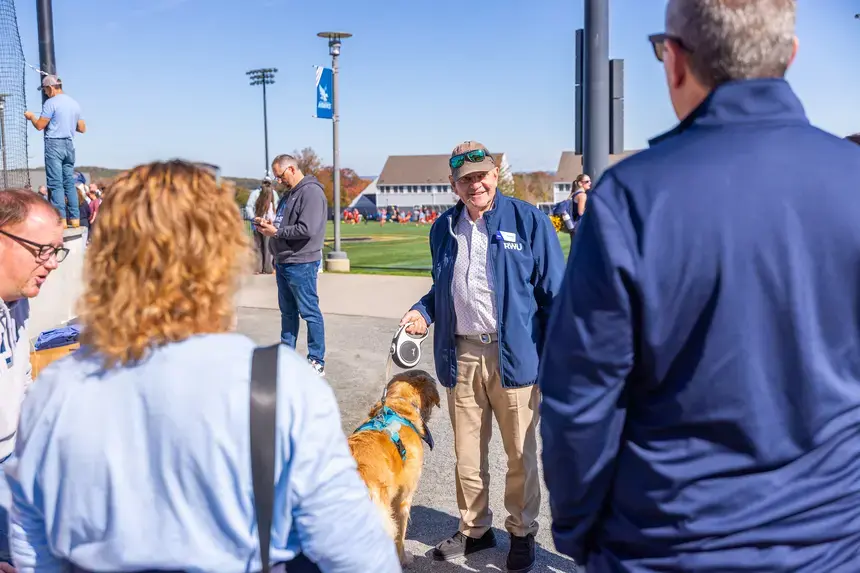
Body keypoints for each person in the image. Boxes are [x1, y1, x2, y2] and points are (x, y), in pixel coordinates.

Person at [538, 1, 860, 571]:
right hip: (831, 542)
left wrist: (581, 534)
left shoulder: (632, 198)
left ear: (676, 62)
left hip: (671, 542)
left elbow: (580, 402)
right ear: (790, 54)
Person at [3, 161, 400, 573]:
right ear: (220, 258)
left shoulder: (57, 388)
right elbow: (358, 555)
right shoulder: (280, 384)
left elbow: (36, 546)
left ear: (106, 258)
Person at [400, 141, 564, 572]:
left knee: (519, 454)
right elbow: (444, 290)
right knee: (467, 454)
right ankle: (475, 529)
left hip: (516, 355)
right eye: (466, 178)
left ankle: (522, 531)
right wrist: (422, 310)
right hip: (463, 352)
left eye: (482, 175)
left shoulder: (528, 220)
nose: (476, 184)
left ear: (495, 175)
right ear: (454, 184)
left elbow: (555, 296)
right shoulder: (443, 229)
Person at [0, 190, 65, 570]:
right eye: (43, 250)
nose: (52, 263)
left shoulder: (18, 297)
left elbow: (22, 379)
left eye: (57, 250)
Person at [255, 154, 328, 376]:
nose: (279, 181)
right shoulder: (289, 195)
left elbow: (308, 229)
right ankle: (287, 354)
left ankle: (316, 360)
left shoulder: (311, 192)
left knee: (309, 312)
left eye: (280, 176)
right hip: (285, 261)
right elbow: (283, 224)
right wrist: (268, 225)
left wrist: (276, 232)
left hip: (302, 262)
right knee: (287, 313)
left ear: (292, 169)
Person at [24, 75, 85, 228]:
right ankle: (75, 219)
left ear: (50, 88)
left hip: (54, 144)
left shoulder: (50, 103)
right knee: (69, 183)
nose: (45, 93)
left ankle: (60, 220)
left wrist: (31, 117)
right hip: (70, 145)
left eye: (45, 90)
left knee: (55, 184)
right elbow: (82, 128)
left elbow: (40, 125)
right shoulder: (74, 103)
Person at [252, 179, 278, 274]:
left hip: (257, 226)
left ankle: (257, 268)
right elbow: (272, 217)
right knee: (268, 249)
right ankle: (268, 268)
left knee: (258, 248)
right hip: (267, 227)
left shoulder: (258, 203)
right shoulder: (270, 204)